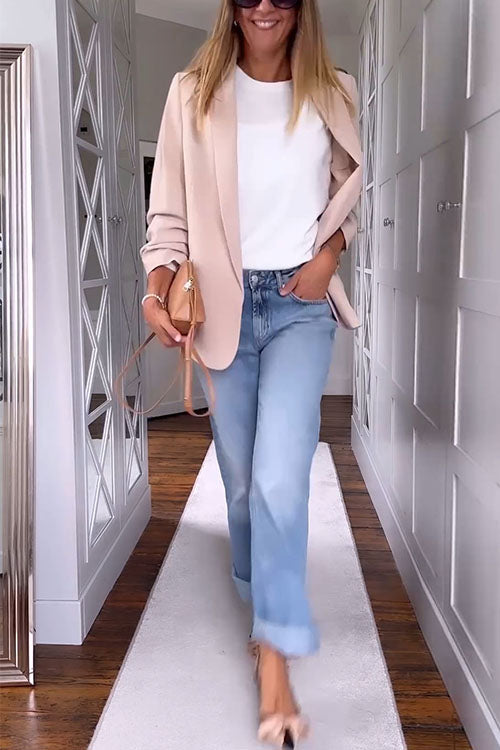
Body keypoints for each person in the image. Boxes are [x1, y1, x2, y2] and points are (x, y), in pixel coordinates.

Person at [139, 0, 362, 746]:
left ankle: (274, 657)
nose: (265, 5)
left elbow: (349, 192)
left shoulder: (335, 88)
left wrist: (328, 257)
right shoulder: (191, 91)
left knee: (279, 479)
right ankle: (257, 596)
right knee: (240, 485)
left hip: (299, 304)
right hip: (223, 307)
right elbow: (168, 215)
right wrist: (157, 289)